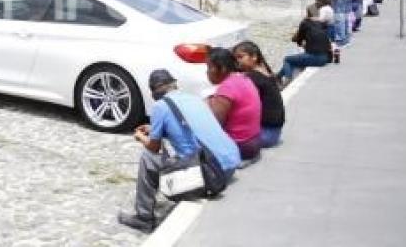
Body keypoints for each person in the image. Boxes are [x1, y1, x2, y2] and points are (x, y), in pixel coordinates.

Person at [118, 69, 241, 233]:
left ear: (154, 91)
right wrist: (154, 128)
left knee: (148, 158)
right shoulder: (194, 99)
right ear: (174, 84)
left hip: (209, 175)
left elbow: (154, 147)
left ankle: (144, 217)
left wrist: (140, 137)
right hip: (230, 164)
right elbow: (188, 129)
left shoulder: (160, 106)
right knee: (176, 153)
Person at [205, 48, 262, 160]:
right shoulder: (243, 78)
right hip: (254, 140)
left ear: (223, 68)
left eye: (209, 67)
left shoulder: (227, 88)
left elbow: (214, 125)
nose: (207, 72)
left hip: (240, 146)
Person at [232, 41, 285, 148]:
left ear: (254, 57)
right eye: (235, 58)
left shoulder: (253, 78)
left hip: (265, 135)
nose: (237, 61)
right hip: (275, 133)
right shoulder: (265, 72)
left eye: (240, 57)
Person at [277, 5, 332, 85]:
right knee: (294, 61)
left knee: (287, 59)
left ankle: (288, 78)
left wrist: (301, 43)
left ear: (307, 13)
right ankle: (277, 76)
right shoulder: (322, 24)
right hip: (326, 58)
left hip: (315, 57)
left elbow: (299, 39)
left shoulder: (305, 23)